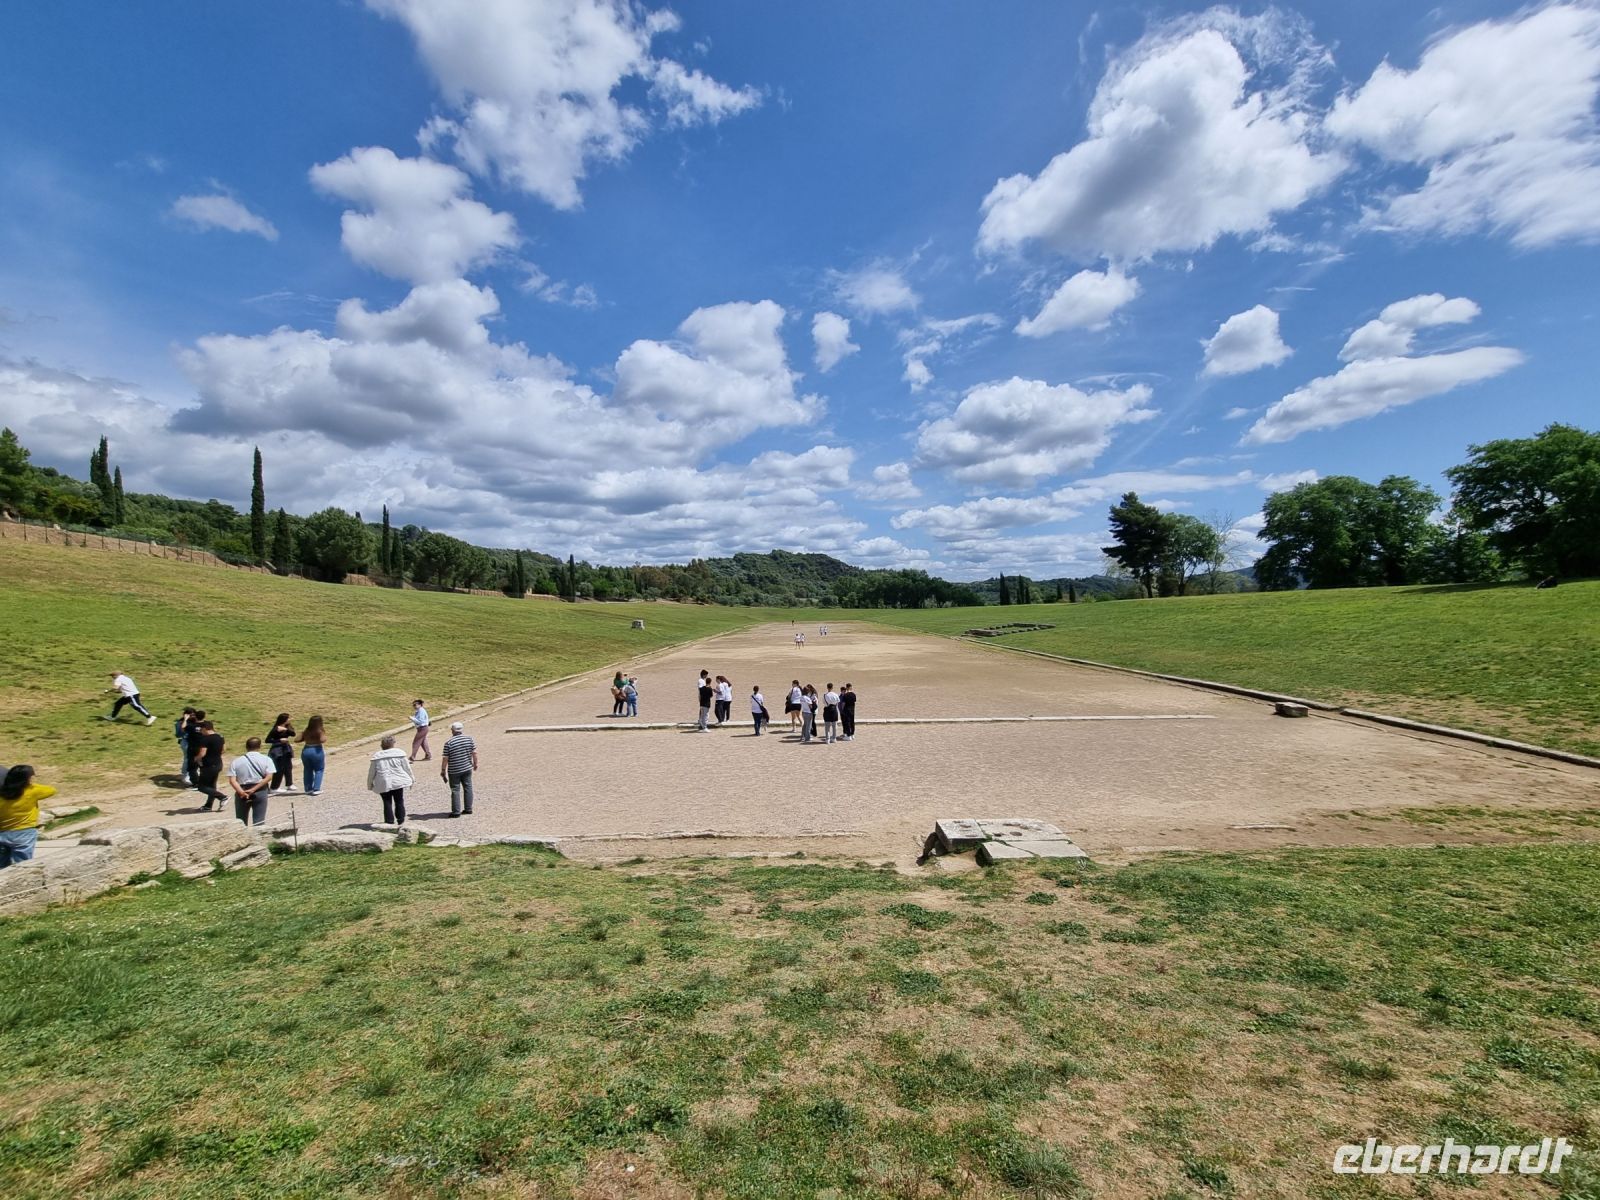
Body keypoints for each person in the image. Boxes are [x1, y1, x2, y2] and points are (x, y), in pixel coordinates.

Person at [0, 764, 55, 867]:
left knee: (2, 864)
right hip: (24, 832)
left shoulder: (2, 795)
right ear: (26, 779)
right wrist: (29, 785)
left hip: (3, 833)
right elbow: (51, 790)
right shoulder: (32, 791)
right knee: (23, 864)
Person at [227, 737, 276, 826]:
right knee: (259, 821)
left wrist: (241, 792)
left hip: (242, 789)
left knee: (241, 821)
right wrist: (254, 789)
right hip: (260, 789)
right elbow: (269, 777)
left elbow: (232, 781)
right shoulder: (266, 759)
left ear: (246, 746)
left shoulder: (236, 761)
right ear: (259, 746)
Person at [367, 735, 414, 825]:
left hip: (383, 781)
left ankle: (389, 821)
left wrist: (370, 785)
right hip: (398, 781)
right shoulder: (399, 754)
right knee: (399, 800)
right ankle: (401, 820)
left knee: (387, 801)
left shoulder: (377, 757)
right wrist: (412, 779)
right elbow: (407, 768)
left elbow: (371, 773)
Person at [440, 721, 478, 816]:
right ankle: (468, 808)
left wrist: (443, 770)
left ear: (452, 730)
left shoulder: (449, 743)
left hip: (454, 770)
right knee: (468, 787)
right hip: (467, 767)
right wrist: (475, 763)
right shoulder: (469, 739)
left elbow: (445, 759)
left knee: (455, 790)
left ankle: (456, 812)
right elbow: (474, 753)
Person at [191, 719, 227, 811]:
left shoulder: (205, 739)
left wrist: (196, 758)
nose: (201, 732)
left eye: (201, 729)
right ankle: (208, 805)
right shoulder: (220, 736)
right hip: (218, 763)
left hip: (208, 765)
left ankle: (222, 797)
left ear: (205, 728)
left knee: (201, 787)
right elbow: (223, 750)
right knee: (212, 786)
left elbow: (202, 753)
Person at [266, 713, 297, 793]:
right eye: (288, 718)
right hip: (278, 749)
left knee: (288, 766)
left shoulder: (287, 727)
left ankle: (289, 784)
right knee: (280, 768)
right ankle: (274, 787)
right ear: (284, 719)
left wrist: (285, 729)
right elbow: (267, 740)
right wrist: (279, 740)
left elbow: (293, 734)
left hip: (286, 749)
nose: (290, 720)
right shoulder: (276, 728)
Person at [298, 715, 327, 795]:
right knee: (319, 769)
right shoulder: (319, 730)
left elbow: (297, 740)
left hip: (306, 749)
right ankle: (316, 788)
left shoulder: (306, 730)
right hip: (316, 749)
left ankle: (308, 789)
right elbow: (323, 740)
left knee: (307, 769)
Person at [184, 709, 208, 784]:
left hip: (193, 748)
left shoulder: (191, 726)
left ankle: (195, 783)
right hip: (205, 747)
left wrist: (185, 719)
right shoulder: (208, 724)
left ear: (195, 717)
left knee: (192, 766)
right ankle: (205, 781)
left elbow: (183, 727)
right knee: (204, 765)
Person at [175, 707, 196, 784]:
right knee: (187, 758)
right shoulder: (180, 723)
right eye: (190, 715)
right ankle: (185, 775)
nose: (192, 717)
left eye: (193, 715)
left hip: (196, 743)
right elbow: (178, 734)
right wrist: (185, 720)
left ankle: (193, 774)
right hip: (186, 742)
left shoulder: (196, 722)